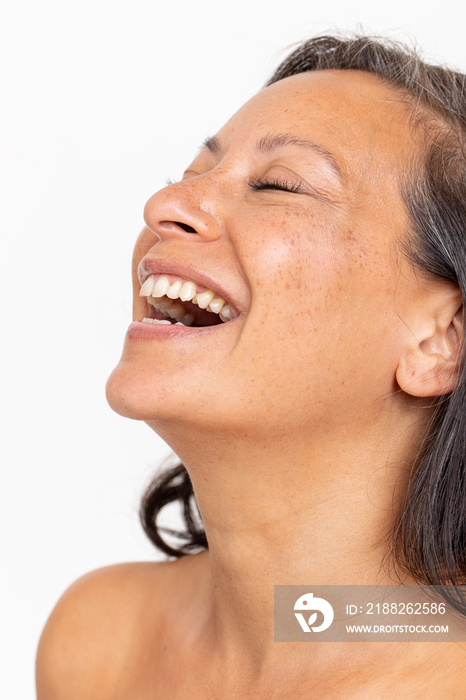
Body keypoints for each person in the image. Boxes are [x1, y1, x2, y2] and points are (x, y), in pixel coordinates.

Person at [36, 34, 466, 698]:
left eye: (278, 185)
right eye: (189, 176)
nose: (165, 207)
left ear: (441, 338)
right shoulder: (98, 642)